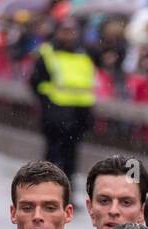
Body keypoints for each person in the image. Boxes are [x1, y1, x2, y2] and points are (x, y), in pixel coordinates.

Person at [29, 18, 96, 186]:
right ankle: (48, 186)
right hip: (55, 112)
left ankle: (67, 189)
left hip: (79, 113)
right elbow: (36, 82)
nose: (68, 35)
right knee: (53, 153)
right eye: (64, 31)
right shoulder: (47, 53)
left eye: (71, 31)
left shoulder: (84, 53)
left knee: (71, 155)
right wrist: (48, 106)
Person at [75, 154, 148, 229]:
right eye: (104, 201)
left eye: (126, 202)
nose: (113, 211)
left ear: (141, 212)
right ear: (90, 208)